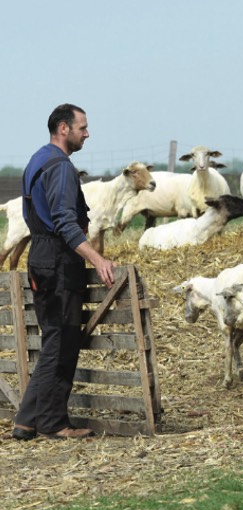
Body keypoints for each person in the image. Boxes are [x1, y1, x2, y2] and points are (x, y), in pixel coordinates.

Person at [11, 104, 117, 441]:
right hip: (58, 259)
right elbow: (65, 222)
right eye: (82, 127)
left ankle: (27, 421)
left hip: (40, 255)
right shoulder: (60, 168)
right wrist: (97, 259)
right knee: (62, 341)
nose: (87, 133)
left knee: (54, 339)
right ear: (63, 128)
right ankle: (54, 424)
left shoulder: (37, 160)